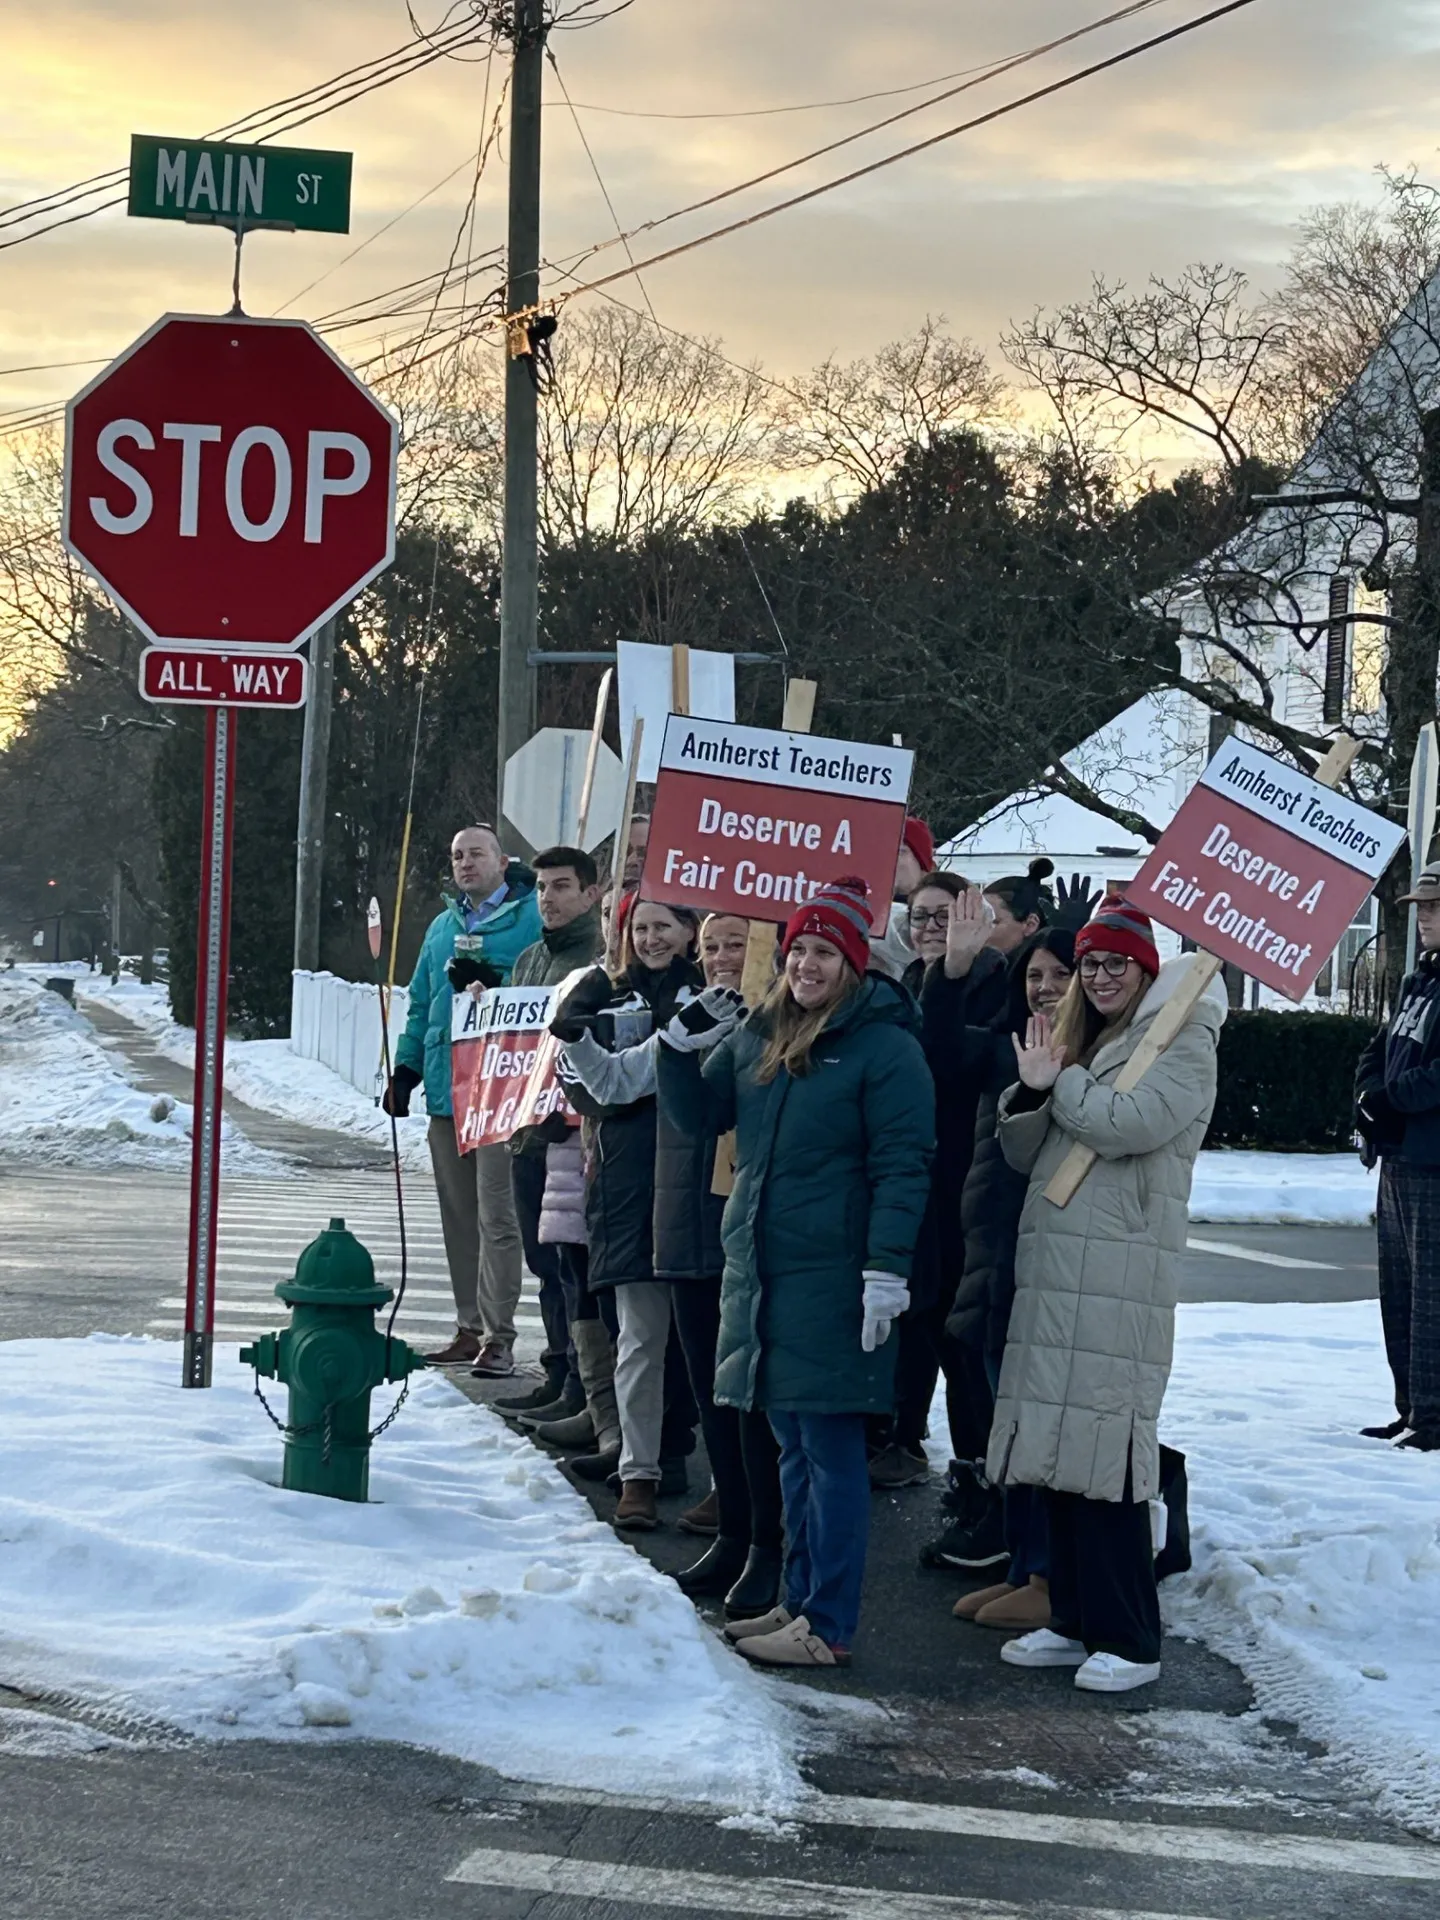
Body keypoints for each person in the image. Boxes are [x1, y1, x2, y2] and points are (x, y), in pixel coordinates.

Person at [662, 878, 934, 1668]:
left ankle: (828, 1622)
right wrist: (679, 1052)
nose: (808, 965)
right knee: (790, 1445)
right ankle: (797, 1601)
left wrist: (886, 1269)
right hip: (764, 1269)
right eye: (799, 951)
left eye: (824, 952)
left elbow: (903, 1165)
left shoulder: (885, 1048)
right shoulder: (760, 1032)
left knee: (829, 1446)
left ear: (852, 963)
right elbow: (699, 1117)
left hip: (835, 1273)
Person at [989, 897, 1223, 1694]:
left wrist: (1066, 1084)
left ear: (1146, 968)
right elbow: (1029, 1150)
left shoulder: (1185, 1040)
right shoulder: (1083, 1037)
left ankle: (1130, 1634)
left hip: (1120, 1273)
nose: (1099, 976)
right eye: (1090, 964)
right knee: (1057, 1450)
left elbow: (1132, 1123)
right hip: (1057, 1266)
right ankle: (1072, 1617)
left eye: (1114, 963)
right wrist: (1029, 1093)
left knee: (1109, 1454)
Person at [552, 900, 708, 1531]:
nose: (649, 939)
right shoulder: (604, 994)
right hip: (630, 1183)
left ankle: (709, 1472)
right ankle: (637, 1471)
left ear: (687, 932)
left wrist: (635, 1069)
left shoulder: (716, 996)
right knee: (639, 1340)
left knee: (703, 1347)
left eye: (662, 927)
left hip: (699, 1184)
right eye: (639, 928)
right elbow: (590, 1089)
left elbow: (695, 1084)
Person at [939, 927, 1076, 1627]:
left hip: (1049, 1263)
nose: (1044, 988)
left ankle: (1049, 1576)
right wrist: (955, 970)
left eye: (1060, 974)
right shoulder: (1005, 1046)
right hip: (992, 1250)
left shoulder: (1098, 1058)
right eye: (1033, 975)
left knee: (1047, 1428)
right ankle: (1021, 1562)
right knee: (1008, 1422)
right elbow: (942, 1049)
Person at [386, 824, 540, 1374]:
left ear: (502, 860)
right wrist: (404, 1070)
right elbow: (422, 1003)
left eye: (476, 853)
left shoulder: (531, 916)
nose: (466, 863)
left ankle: (499, 1335)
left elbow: (545, 988)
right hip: (447, 1087)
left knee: (498, 1214)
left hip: (500, 1088)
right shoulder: (440, 927)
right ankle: (467, 1325)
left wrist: (492, 980)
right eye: (457, 855)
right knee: (458, 1212)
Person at [490, 847, 604, 1423]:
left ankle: (582, 1387)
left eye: (561, 887)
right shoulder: (530, 959)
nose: (548, 898)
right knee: (541, 1259)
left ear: (590, 893)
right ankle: (559, 1368)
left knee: (570, 1261)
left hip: (568, 1131)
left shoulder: (599, 959)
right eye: (540, 887)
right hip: (526, 1130)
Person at [1355, 861, 1440, 1451]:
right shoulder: (1419, 980)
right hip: (1398, 1156)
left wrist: (1392, 1101)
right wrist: (1366, 1096)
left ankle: (1434, 1418)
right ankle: (1410, 1407)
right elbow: (1380, 1048)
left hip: (1433, 1161)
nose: (1425, 917)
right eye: (1421, 908)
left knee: (1432, 1297)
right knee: (1401, 1291)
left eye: (1435, 907)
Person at [869, 817, 938, 979]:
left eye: (900, 851)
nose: (886, 858)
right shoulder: (856, 909)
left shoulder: (946, 910)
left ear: (925, 867)